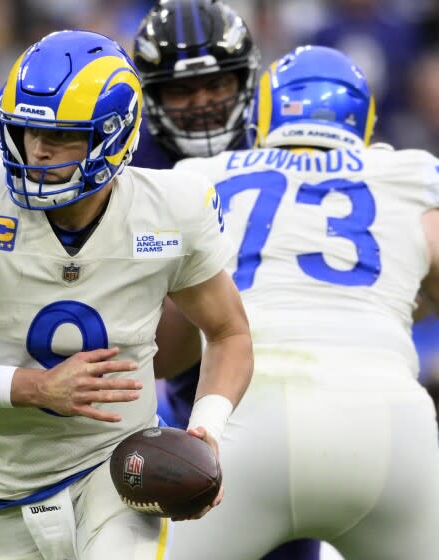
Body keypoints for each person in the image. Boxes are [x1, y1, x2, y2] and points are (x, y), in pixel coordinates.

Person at [0, 29, 253, 559]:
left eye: (60, 137)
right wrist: (37, 387)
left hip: (116, 467)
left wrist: (205, 431)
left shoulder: (172, 208)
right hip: (5, 484)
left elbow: (229, 332)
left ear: (113, 135)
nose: (37, 150)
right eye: (27, 132)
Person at [168, 45, 439, 560]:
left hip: (246, 424)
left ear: (264, 115)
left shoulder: (202, 175)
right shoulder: (410, 173)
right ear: (365, 121)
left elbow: (170, 347)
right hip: (386, 424)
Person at [132, 4, 320, 557]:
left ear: (244, 79)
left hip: (300, 373)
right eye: (182, 92)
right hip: (191, 393)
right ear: (152, 98)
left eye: (214, 84)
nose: (201, 104)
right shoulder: (130, 166)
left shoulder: (289, 142)